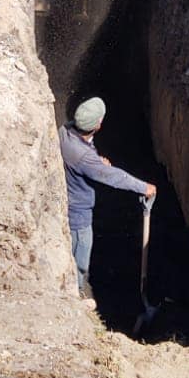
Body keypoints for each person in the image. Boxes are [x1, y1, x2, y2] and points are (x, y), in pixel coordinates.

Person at [58, 97, 155, 298]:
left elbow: (87, 160)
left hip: (69, 195)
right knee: (80, 253)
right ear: (98, 125)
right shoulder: (83, 157)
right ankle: (76, 291)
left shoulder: (65, 131)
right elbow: (113, 177)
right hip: (78, 211)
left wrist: (95, 163)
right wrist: (143, 187)